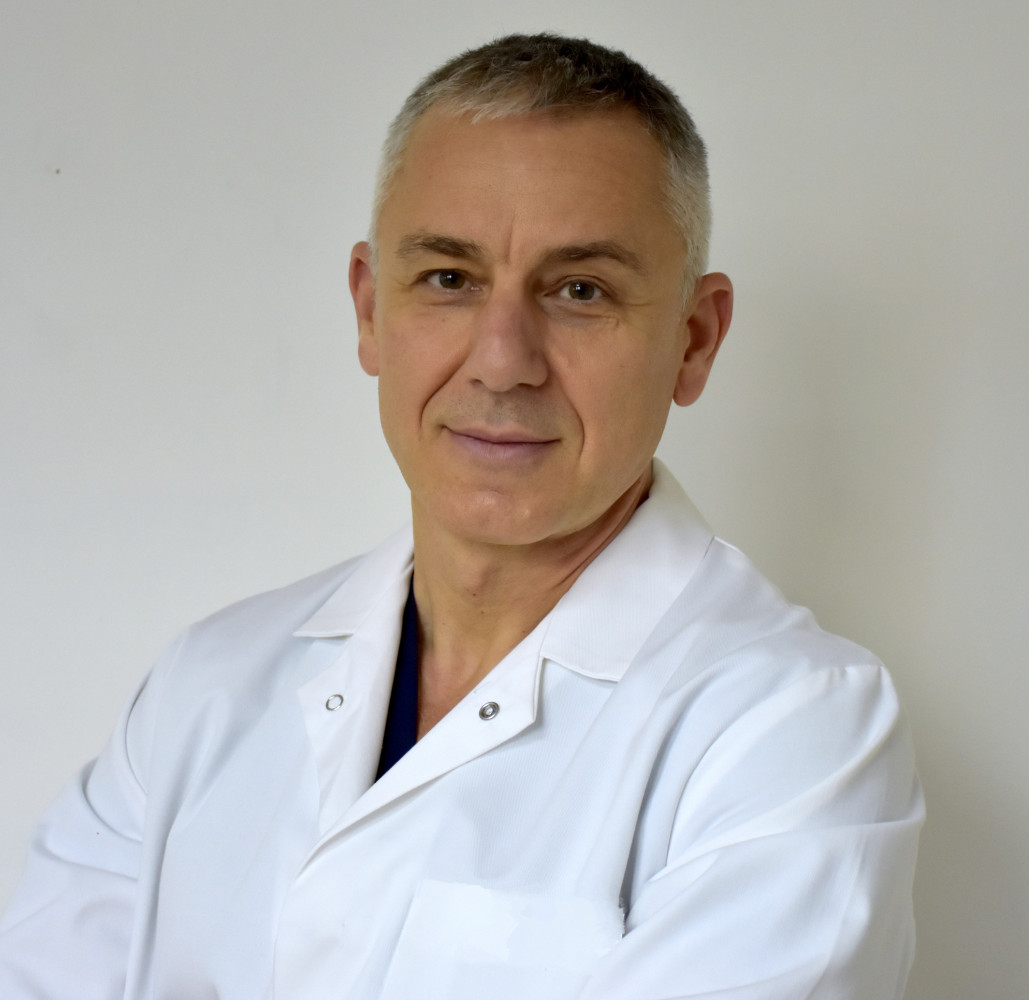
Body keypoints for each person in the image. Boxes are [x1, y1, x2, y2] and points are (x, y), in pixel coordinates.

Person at [0, 33, 922, 1000]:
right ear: (370, 311)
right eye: (449, 278)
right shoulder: (208, 682)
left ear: (693, 340)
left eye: (580, 291)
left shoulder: (793, 732)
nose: (501, 360)